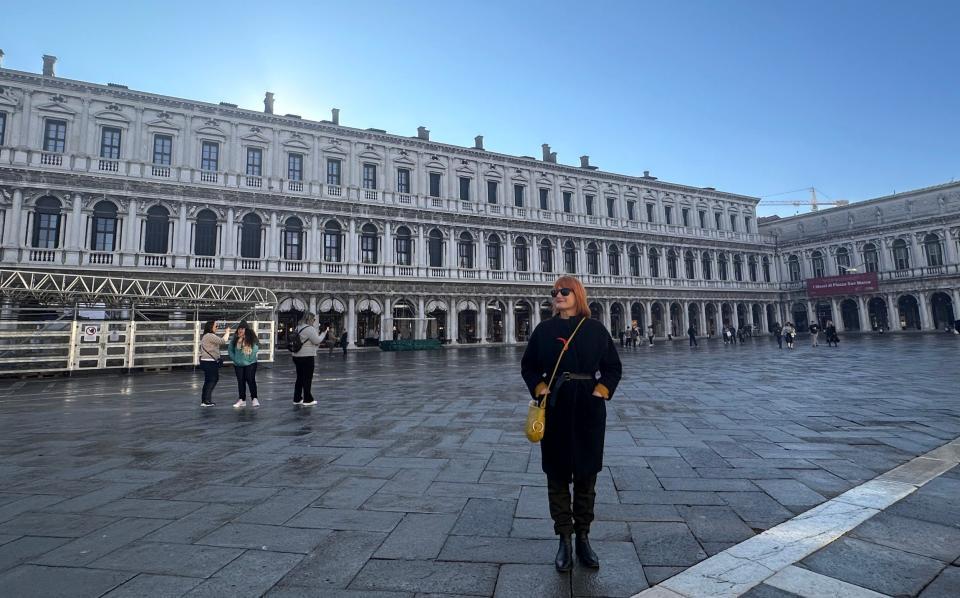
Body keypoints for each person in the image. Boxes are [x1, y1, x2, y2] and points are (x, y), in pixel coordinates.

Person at [521, 276, 622, 572]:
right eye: (554, 293)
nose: (558, 296)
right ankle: (564, 539)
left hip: (589, 410)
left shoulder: (595, 330)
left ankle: (583, 538)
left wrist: (600, 391)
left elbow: (613, 367)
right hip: (556, 407)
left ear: (578, 294)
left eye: (564, 291)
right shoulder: (544, 330)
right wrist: (540, 388)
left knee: (587, 477)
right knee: (557, 475)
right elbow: (528, 366)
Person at [291, 313, 329, 406]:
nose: (314, 321)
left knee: (299, 378)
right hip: (307, 356)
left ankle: (297, 398)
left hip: (296, 356)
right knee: (307, 378)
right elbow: (317, 340)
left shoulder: (298, 327)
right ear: (309, 319)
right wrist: (324, 333)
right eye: (313, 319)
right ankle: (308, 400)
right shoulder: (309, 329)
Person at [198, 320, 231, 407]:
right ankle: (206, 401)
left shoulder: (207, 336)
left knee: (208, 381)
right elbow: (223, 341)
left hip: (207, 361)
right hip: (209, 362)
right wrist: (227, 332)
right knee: (212, 380)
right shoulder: (209, 336)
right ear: (210, 327)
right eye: (215, 326)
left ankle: (205, 400)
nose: (217, 328)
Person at [228, 321, 260, 408]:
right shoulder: (235, 338)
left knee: (250, 380)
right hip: (238, 364)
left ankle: (254, 399)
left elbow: (256, 348)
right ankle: (242, 400)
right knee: (240, 382)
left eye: (242, 329)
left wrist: (250, 359)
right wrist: (235, 359)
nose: (240, 330)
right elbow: (230, 349)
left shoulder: (251, 338)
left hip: (250, 364)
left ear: (246, 329)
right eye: (239, 329)